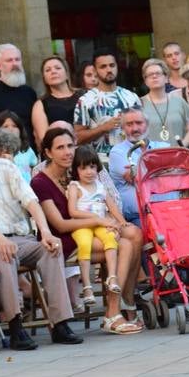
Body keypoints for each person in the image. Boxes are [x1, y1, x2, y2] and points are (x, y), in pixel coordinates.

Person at [0, 126, 81, 349]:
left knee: (50, 248)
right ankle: (15, 325)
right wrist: (0, 239)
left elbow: (30, 200)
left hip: (21, 237)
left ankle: (60, 323)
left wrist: (46, 232)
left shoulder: (5, 167)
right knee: (4, 254)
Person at [31, 128, 142, 333]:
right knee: (123, 244)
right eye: (60, 148)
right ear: (48, 153)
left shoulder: (77, 170)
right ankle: (114, 311)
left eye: (70, 146)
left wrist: (111, 221)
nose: (68, 152)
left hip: (90, 230)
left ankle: (124, 300)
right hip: (63, 239)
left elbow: (102, 199)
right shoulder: (40, 182)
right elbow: (60, 224)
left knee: (134, 233)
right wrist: (99, 221)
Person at [65, 145, 123, 308]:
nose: (89, 171)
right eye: (84, 168)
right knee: (84, 244)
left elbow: (111, 206)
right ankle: (87, 287)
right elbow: (73, 211)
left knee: (110, 239)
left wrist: (120, 221)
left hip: (100, 223)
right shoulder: (75, 187)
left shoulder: (100, 186)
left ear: (97, 167)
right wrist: (95, 217)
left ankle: (112, 277)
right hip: (82, 225)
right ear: (76, 170)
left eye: (92, 166)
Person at [72, 49, 141, 157]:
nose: (109, 69)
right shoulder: (85, 101)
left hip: (132, 158)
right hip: (100, 163)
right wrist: (103, 128)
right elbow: (77, 138)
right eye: (103, 66)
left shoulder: (131, 97)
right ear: (95, 71)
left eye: (112, 65)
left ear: (117, 67)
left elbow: (144, 130)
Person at [106, 108, 152, 221]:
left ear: (147, 124)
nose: (135, 128)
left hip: (167, 209)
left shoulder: (163, 147)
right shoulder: (117, 152)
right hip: (138, 217)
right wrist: (161, 169)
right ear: (122, 128)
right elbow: (135, 177)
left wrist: (139, 168)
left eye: (139, 123)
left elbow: (176, 174)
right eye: (129, 124)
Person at [139, 59, 189, 149]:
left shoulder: (179, 101)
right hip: (152, 157)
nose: (154, 76)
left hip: (179, 156)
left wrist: (181, 147)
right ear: (145, 81)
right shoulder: (139, 104)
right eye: (150, 75)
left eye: (158, 73)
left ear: (166, 78)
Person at [32, 55, 80, 146]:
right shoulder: (40, 105)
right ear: (44, 79)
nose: (53, 71)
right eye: (48, 70)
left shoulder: (84, 95)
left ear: (66, 73)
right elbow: (45, 140)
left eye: (57, 68)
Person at [0, 112, 38, 181]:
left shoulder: (27, 150)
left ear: (20, 129)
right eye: (5, 126)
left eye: (14, 126)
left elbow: (34, 167)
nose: (11, 129)